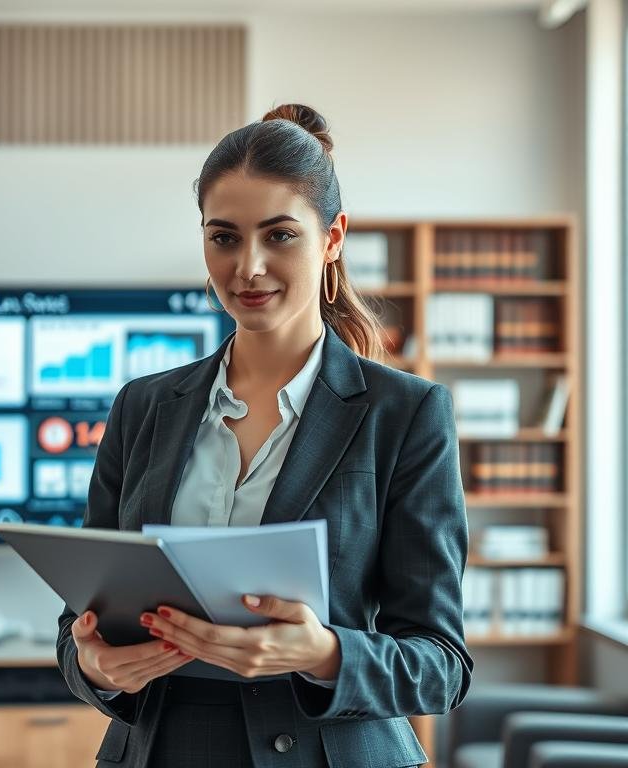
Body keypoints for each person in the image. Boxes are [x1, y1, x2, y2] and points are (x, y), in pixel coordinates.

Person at [55, 103, 473, 768]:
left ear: (333, 237)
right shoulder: (143, 407)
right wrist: (99, 667)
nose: (247, 267)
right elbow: (79, 626)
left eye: (279, 236)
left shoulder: (406, 414)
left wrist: (324, 653)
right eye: (224, 238)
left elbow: (441, 664)